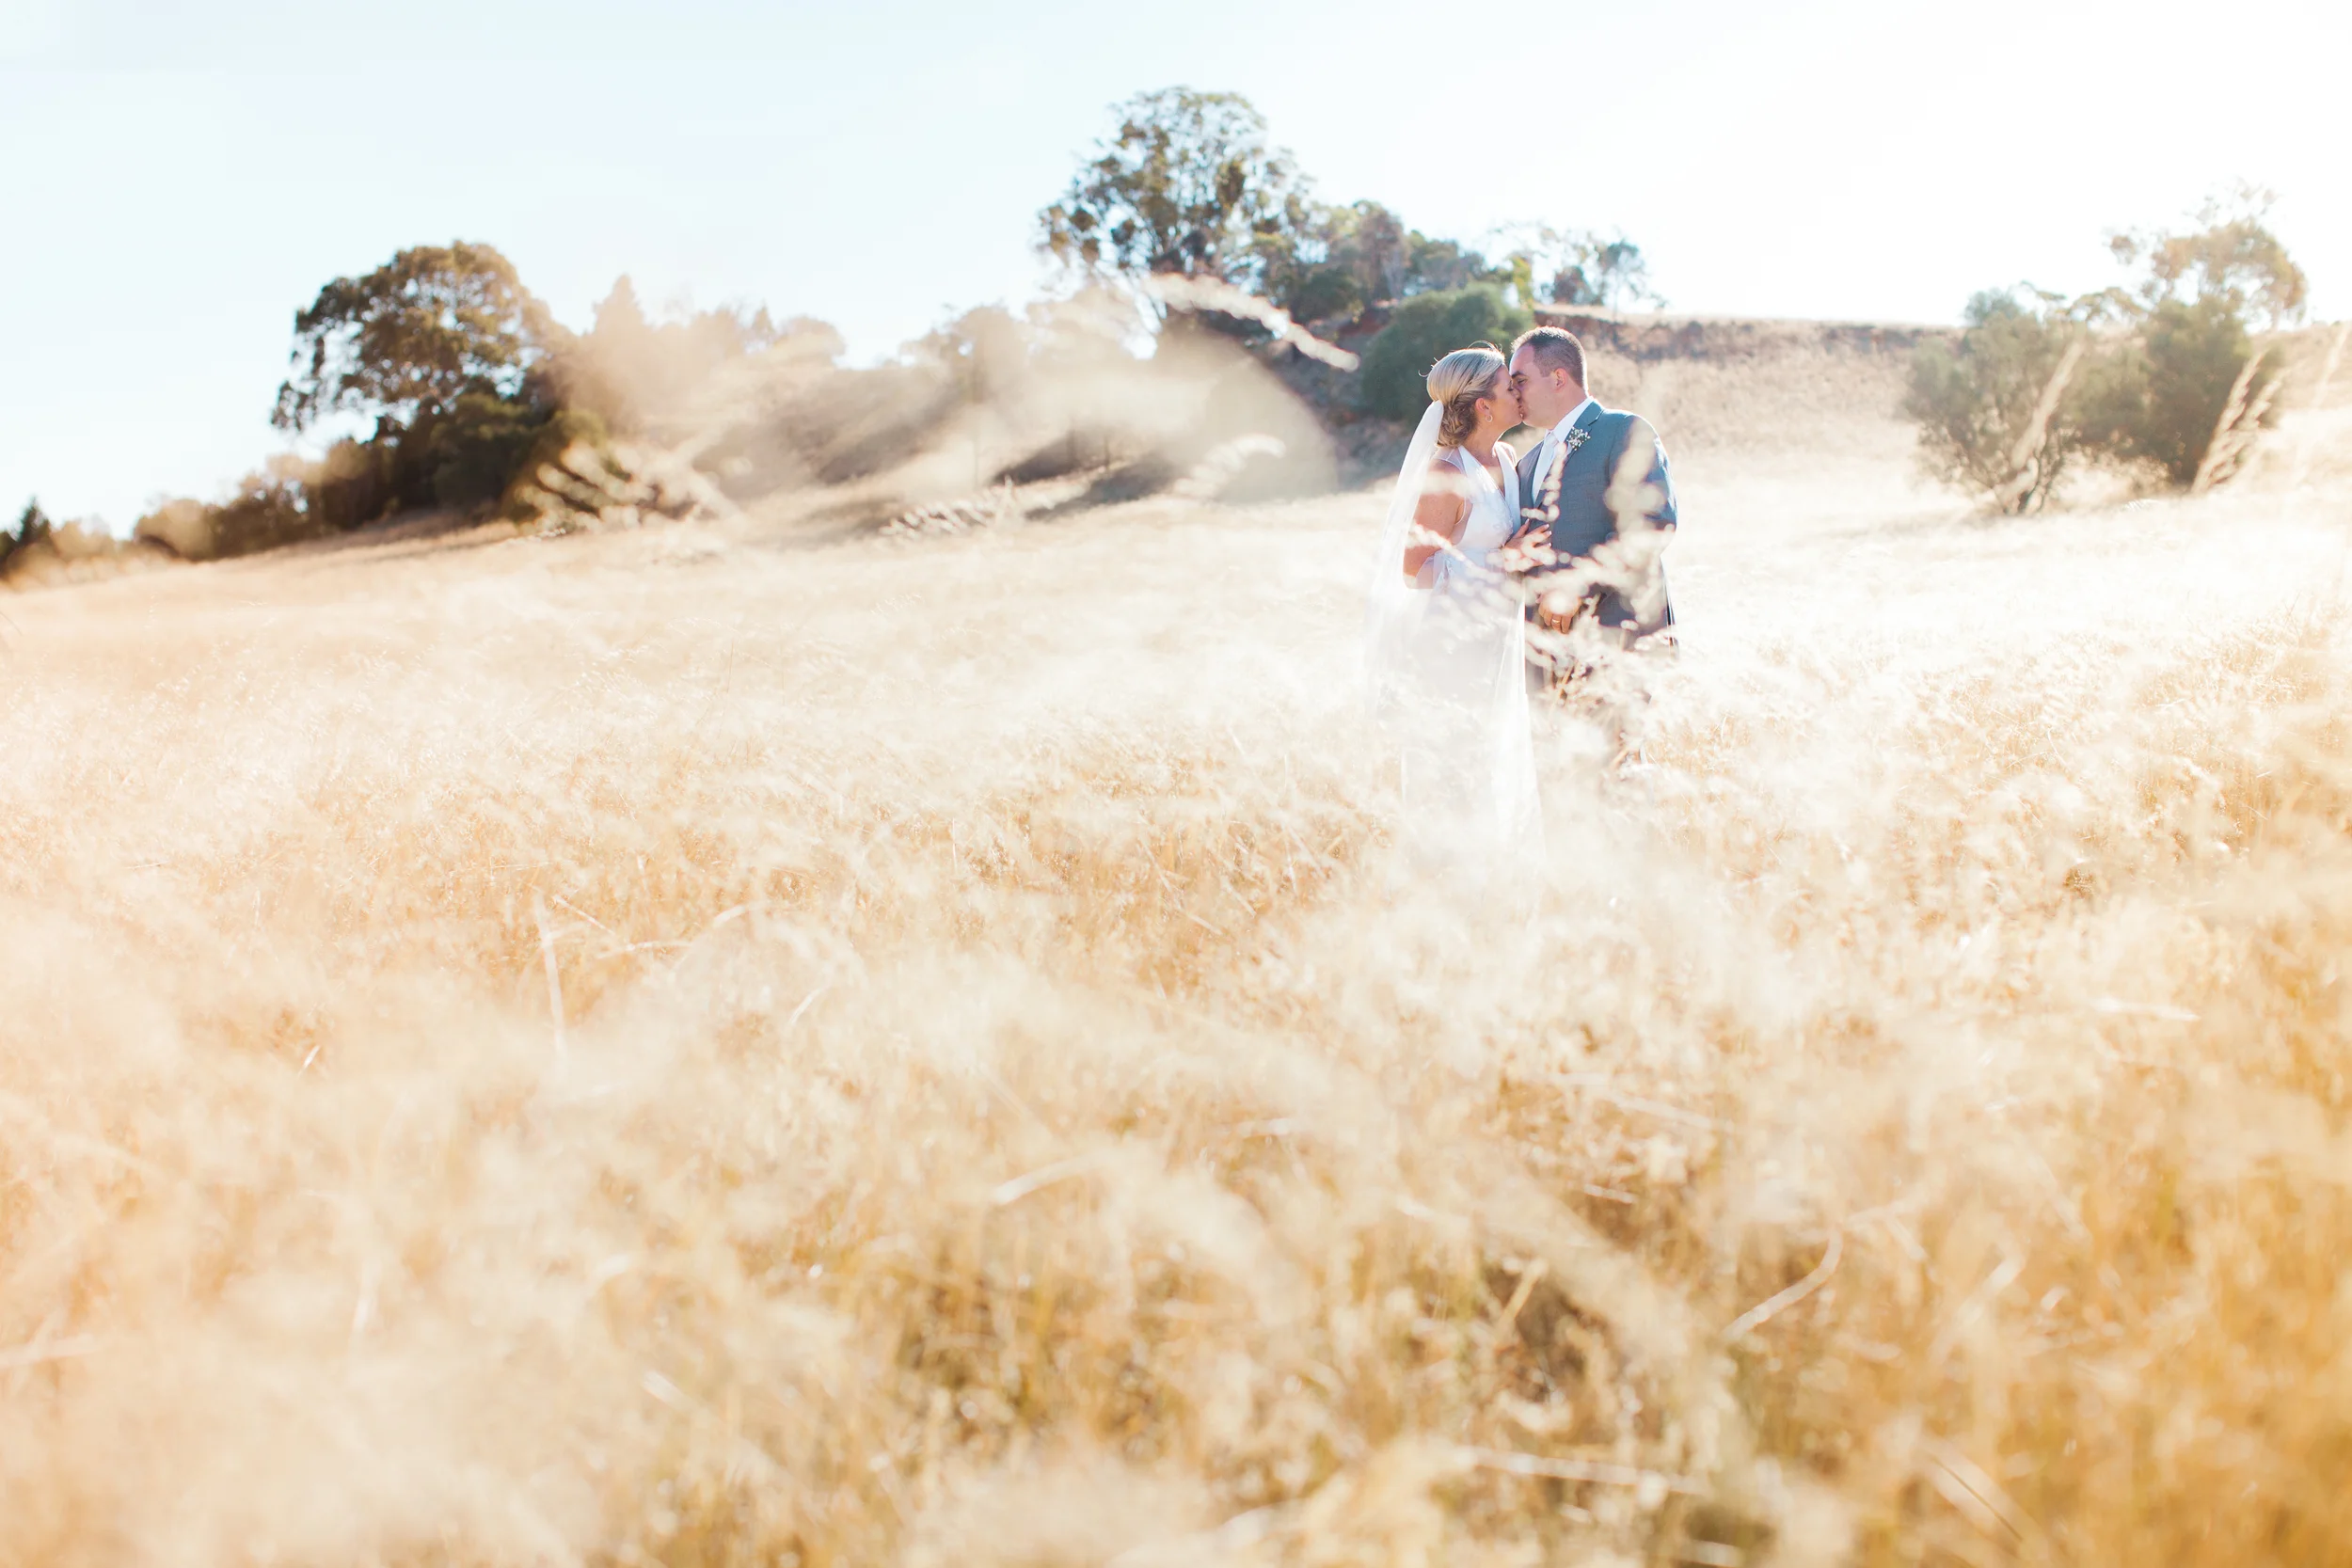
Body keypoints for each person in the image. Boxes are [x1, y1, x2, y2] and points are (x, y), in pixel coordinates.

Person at [1364, 344, 1546, 873]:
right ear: (1484, 406)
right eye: (1508, 386)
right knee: (1455, 772)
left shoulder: (1509, 461)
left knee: (1500, 761)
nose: (1518, 391)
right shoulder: (1448, 473)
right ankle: (1448, 883)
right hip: (1452, 649)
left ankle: (1497, 877)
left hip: (1502, 638)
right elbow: (1414, 572)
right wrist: (1502, 562)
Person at [1505, 325, 1677, 697]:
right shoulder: (1528, 462)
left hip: (1616, 639)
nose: (1512, 392)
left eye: (1519, 380)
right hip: (1545, 658)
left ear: (1558, 378)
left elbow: (1652, 523)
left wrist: (1578, 587)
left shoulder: (1623, 430)